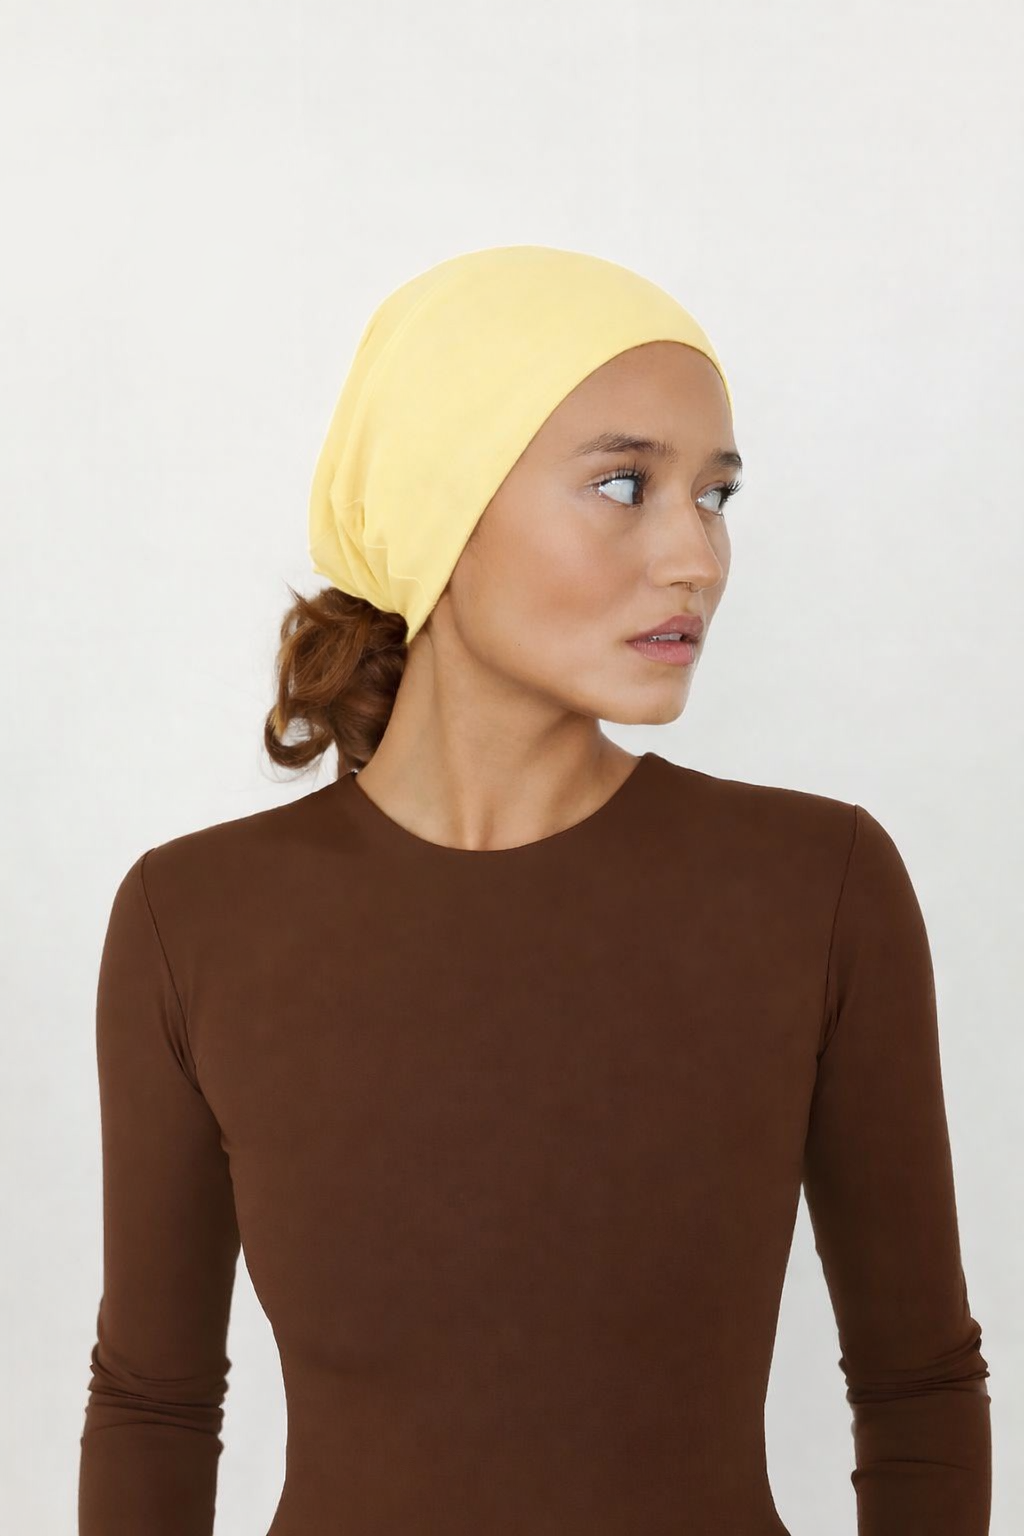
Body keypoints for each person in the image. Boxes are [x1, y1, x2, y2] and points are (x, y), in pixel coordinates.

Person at [77, 244, 991, 1535]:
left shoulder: (818, 888)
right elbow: (153, 1406)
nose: (698, 557)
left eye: (716, 496)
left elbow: (917, 1386)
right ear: (441, 509)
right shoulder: (195, 920)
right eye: (624, 484)